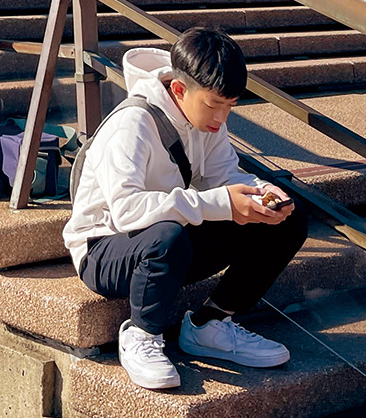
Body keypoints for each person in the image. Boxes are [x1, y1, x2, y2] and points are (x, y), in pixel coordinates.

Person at [63, 27, 307, 392]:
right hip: (104, 249)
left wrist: (260, 192)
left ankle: (211, 324)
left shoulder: (207, 119)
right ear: (179, 90)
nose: (222, 118)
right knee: (167, 235)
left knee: (287, 220)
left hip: (167, 239)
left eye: (230, 106)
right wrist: (220, 203)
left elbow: (224, 175)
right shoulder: (131, 124)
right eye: (214, 105)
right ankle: (142, 335)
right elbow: (128, 212)